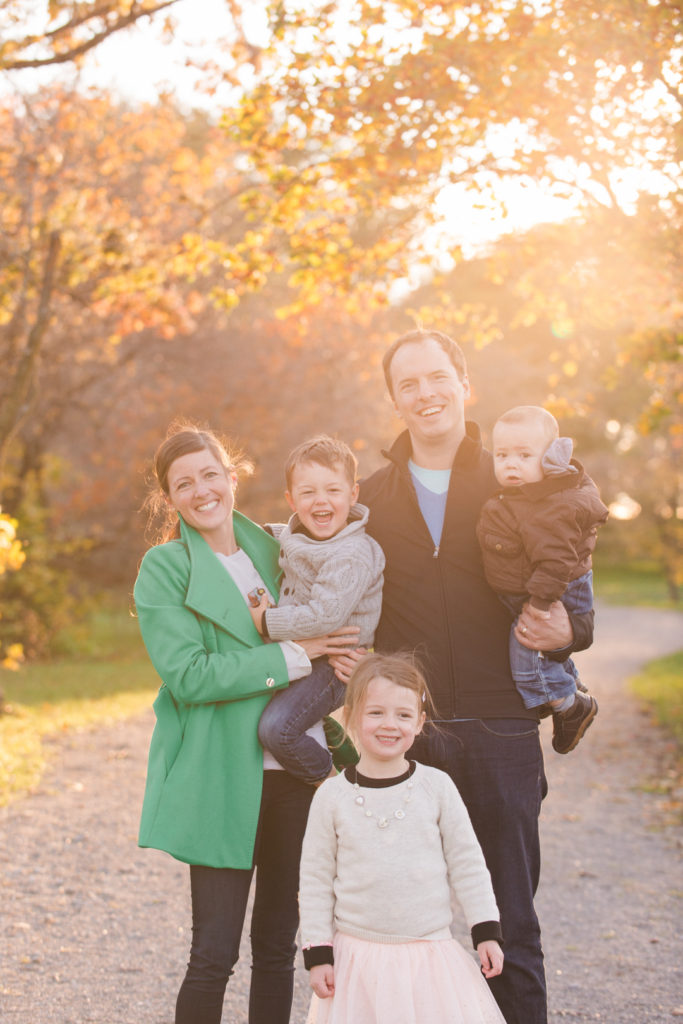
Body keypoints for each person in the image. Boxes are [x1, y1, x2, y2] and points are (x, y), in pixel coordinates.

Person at [344, 329, 596, 1024]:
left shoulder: (515, 476)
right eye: (408, 384)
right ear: (394, 399)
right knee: (397, 930)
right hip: (403, 735)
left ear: (463, 384)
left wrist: (573, 632)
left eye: (436, 378)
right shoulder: (369, 497)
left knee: (508, 923)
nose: (424, 393)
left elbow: (575, 576)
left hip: (499, 726)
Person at [133, 424, 358, 1024]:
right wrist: (298, 652)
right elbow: (191, 675)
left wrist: (343, 658)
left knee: (278, 949)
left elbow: (341, 594)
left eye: (210, 474)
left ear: (232, 478)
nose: (201, 490)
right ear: (171, 498)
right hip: (221, 773)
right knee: (213, 951)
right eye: (184, 483)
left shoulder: (274, 545)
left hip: (294, 772)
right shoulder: (165, 568)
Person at [299, 652, 506, 1024]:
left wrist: (485, 929)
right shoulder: (331, 798)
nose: (389, 725)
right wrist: (318, 953)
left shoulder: (437, 787)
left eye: (403, 715)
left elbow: (468, 863)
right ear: (351, 716)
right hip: (356, 961)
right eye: (375, 712)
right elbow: (314, 881)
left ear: (420, 722)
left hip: (428, 955)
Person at [250, 435, 385, 784]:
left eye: (332, 491)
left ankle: (333, 785)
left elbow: (326, 616)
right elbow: (297, 544)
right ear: (291, 499)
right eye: (308, 493)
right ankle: (341, 754)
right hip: (307, 657)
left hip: (333, 664)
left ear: (353, 494)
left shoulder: (352, 554)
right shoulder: (309, 535)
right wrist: (261, 534)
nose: (320, 501)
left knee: (277, 729)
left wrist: (267, 621)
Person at [476, 405, 608, 754]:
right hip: (542, 590)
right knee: (540, 656)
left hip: (550, 594)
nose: (510, 464)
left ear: (550, 459)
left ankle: (571, 707)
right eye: (502, 455)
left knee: (527, 663)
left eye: (523, 455)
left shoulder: (550, 505)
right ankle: (567, 686)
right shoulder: (528, 496)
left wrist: (539, 606)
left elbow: (554, 562)